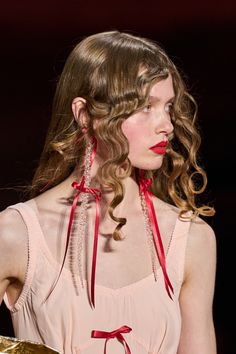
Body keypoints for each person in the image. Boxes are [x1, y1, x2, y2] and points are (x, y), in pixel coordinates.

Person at [0, 31, 217, 354]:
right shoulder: (17, 235)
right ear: (85, 114)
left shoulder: (189, 239)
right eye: (145, 106)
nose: (167, 125)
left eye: (168, 106)